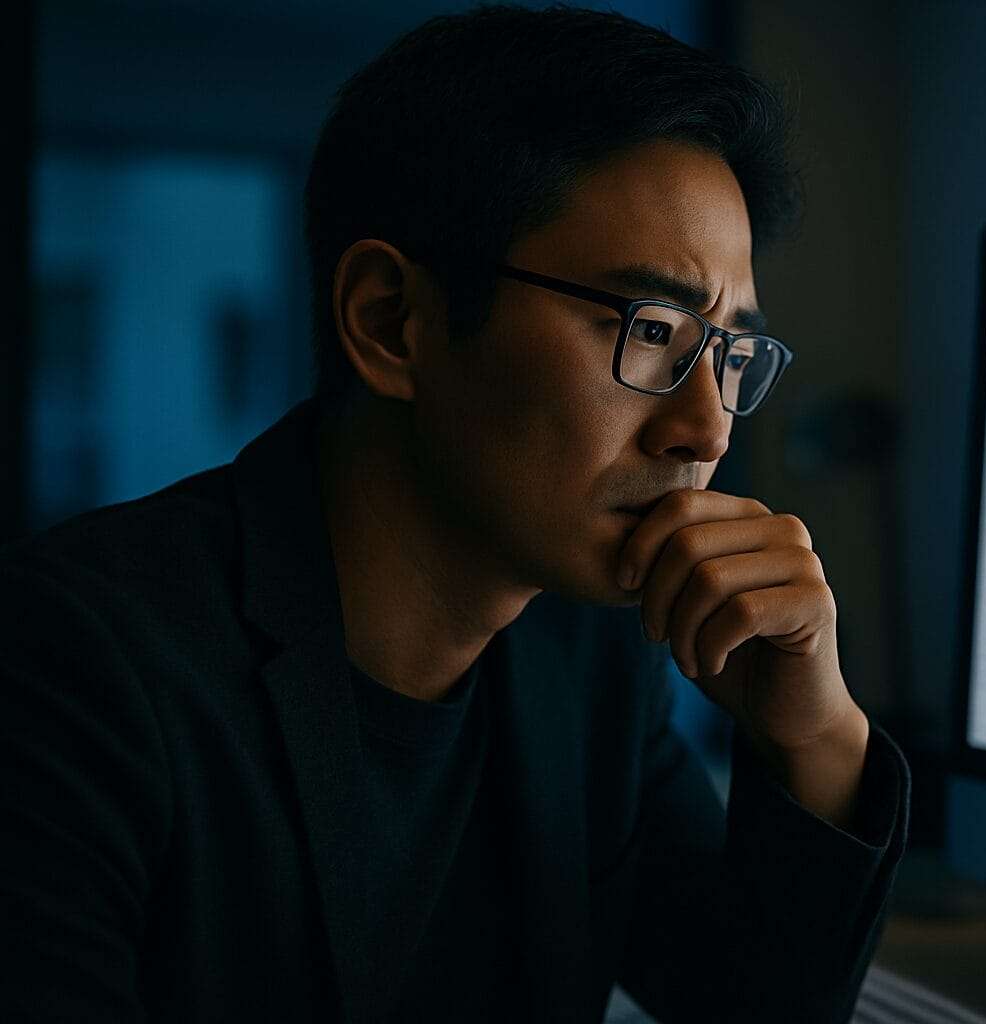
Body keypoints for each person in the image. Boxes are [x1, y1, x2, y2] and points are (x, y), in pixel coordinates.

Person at [0, 5, 910, 1022]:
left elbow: (751, 1005)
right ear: (393, 321)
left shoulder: (593, 659)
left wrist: (817, 732)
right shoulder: (76, 665)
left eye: (731, 353)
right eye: (652, 328)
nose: (707, 429)